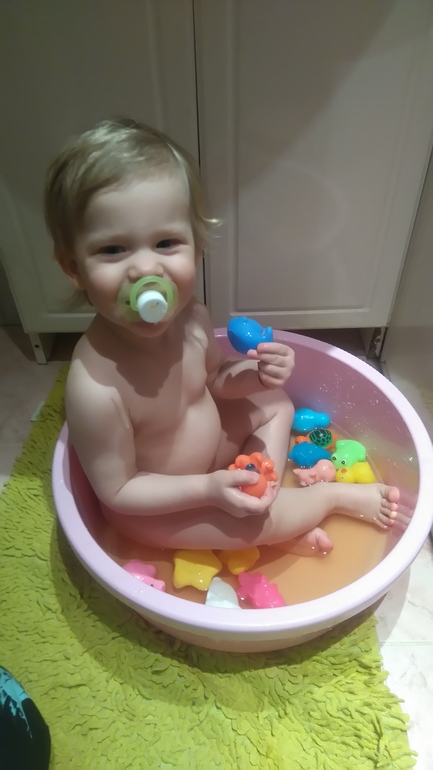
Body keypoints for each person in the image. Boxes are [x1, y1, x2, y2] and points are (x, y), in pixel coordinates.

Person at [44, 117, 407, 554]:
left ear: (196, 247)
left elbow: (215, 382)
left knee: (276, 402)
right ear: (73, 268)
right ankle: (328, 499)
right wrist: (208, 490)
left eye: (166, 243)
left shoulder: (192, 318)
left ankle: (263, 492)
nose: (146, 269)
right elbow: (118, 490)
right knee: (248, 528)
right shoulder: (95, 386)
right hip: (162, 506)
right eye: (113, 249)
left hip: (217, 457)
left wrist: (257, 375)